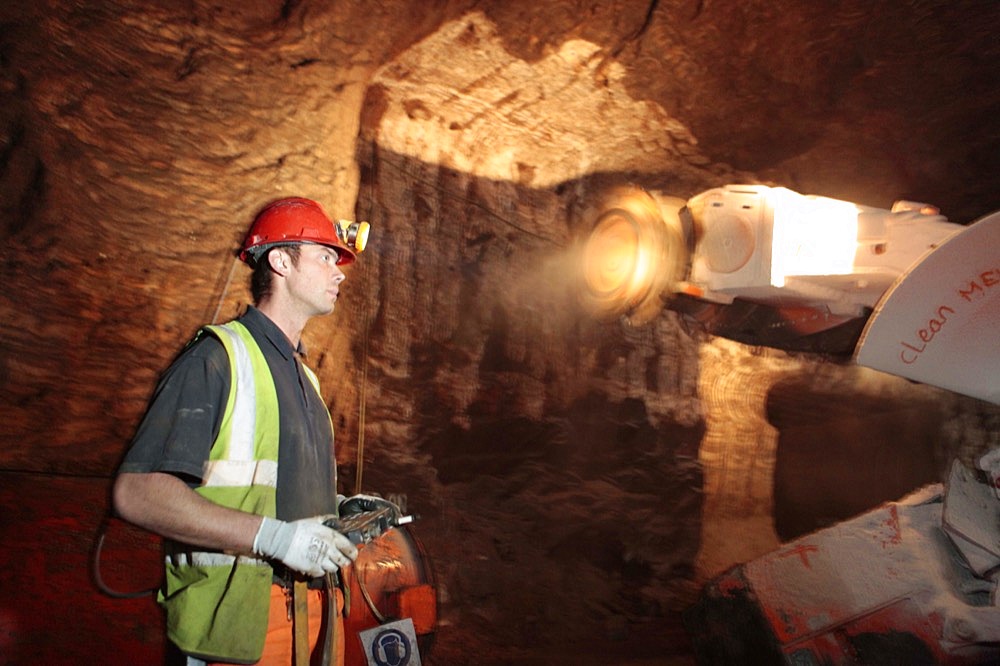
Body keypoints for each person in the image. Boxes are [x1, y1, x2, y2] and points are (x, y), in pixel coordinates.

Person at [113, 197, 395, 665]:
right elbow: (137, 492)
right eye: (326, 256)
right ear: (281, 261)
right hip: (238, 628)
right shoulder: (217, 360)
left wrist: (338, 509)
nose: (340, 272)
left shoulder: (305, 378)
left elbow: (267, 492)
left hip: (315, 626)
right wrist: (276, 539)